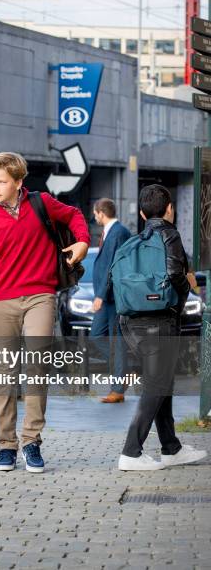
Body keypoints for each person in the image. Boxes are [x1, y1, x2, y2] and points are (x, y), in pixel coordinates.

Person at [0, 152, 90, 472]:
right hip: (2, 302)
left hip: (40, 296)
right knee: (5, 374)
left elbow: (73, 215)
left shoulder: (41, 202)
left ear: (18, 182)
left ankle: (31, 441)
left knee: (37, 367)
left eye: (2, 181)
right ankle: (6, 445)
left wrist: (83, 241)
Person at [118, 184, 207, 470]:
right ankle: (131, 452)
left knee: (163, 383)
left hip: (132, 322)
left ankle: (171, 448)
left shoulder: (134, 242)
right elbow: (173, 273)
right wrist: (186, 291)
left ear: (143, 213)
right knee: (157, 385)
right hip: (160, 321)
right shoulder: (169, 234)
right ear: (169, 209)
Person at [90, 198, 131, 402]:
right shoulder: (109, 232)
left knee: (116, 342)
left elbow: (113, 267)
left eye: (95, 213)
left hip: (112, 298)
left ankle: (118, 388)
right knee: (96, 336)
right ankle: (122, 372)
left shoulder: (119, 232)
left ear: (101, 213)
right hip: (106, 297)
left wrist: (100, 295)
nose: (94, 217)